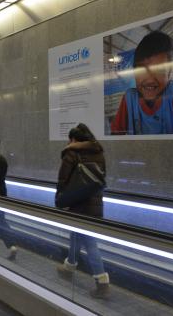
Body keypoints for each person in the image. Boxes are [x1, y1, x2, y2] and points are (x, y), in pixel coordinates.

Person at [110, 31, 173, 135]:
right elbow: (115, 134)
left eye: (159, 70)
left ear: (169, 72)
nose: (150, 80)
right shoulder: (129, 98)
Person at [55, 123, 110, 299]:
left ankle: (102, 281)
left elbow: (63, 179)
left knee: (88, 241)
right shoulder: (99, 152)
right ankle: (69, 267)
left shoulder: (71, 152)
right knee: (76, 234)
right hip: (95, 202)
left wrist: (60, 199)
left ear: (73, 139)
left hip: (78, 203)